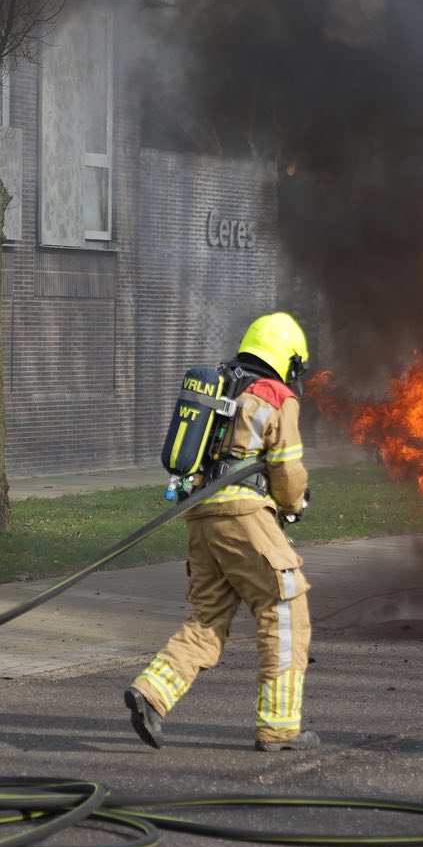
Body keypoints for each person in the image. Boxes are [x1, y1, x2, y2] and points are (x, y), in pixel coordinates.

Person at [127, 312, 318, 752]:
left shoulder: (221, 384)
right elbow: (287, 471)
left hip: (201, 516)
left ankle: (152, 693)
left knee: (208, 616)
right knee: (284, 608)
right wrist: (293, 504)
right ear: (286, 358)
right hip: (243, 514)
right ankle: (279, 727)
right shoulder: (276, 396)